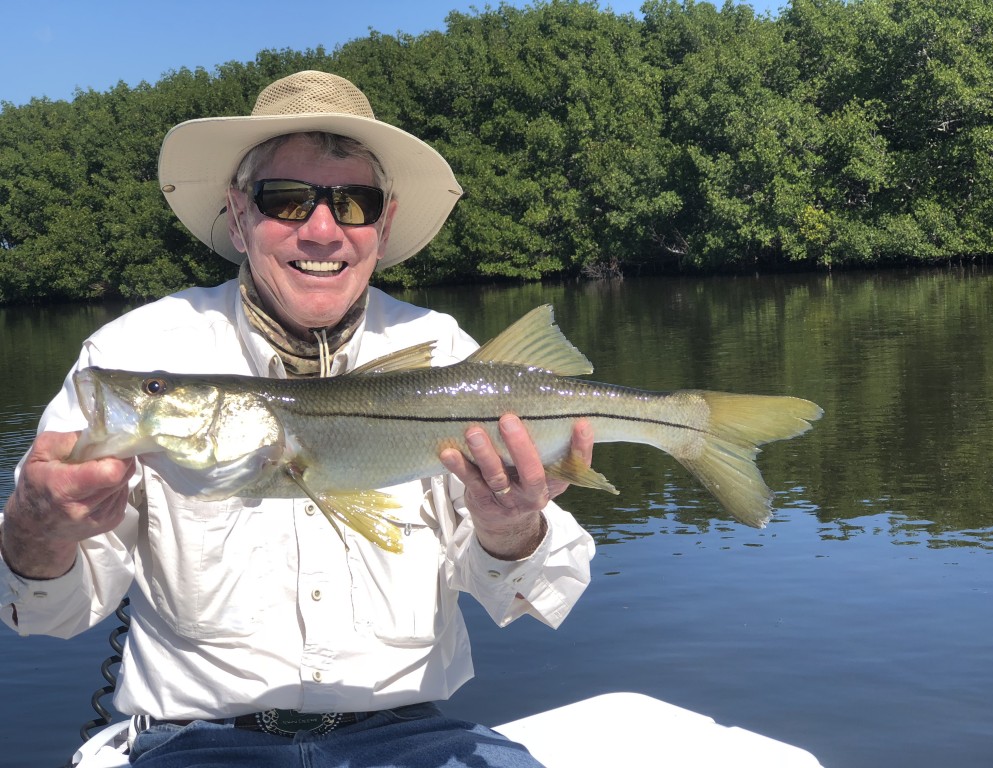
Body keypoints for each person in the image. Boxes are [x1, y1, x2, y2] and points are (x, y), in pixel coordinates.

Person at [0, 70, 595, 767]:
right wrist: (32, 530)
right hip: (193, 741)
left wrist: (511, 528)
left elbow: (541, 593)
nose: (321, 230)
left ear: (384, 223)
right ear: (238, 213)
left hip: (410, 736)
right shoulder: (133, 357)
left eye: (354, 203)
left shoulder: (448, 358)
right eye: (285, 199)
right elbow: (45, 614)